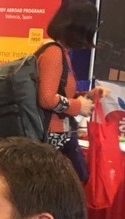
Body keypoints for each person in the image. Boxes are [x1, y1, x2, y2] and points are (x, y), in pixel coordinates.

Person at [37, 0, 108, 181]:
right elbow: (46, 98)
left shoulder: (60, 52)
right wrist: (78, 106)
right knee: (67, 185)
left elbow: (58, 94)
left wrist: (87, 97)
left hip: (58, 133)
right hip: (52, 135)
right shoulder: (54, 53)